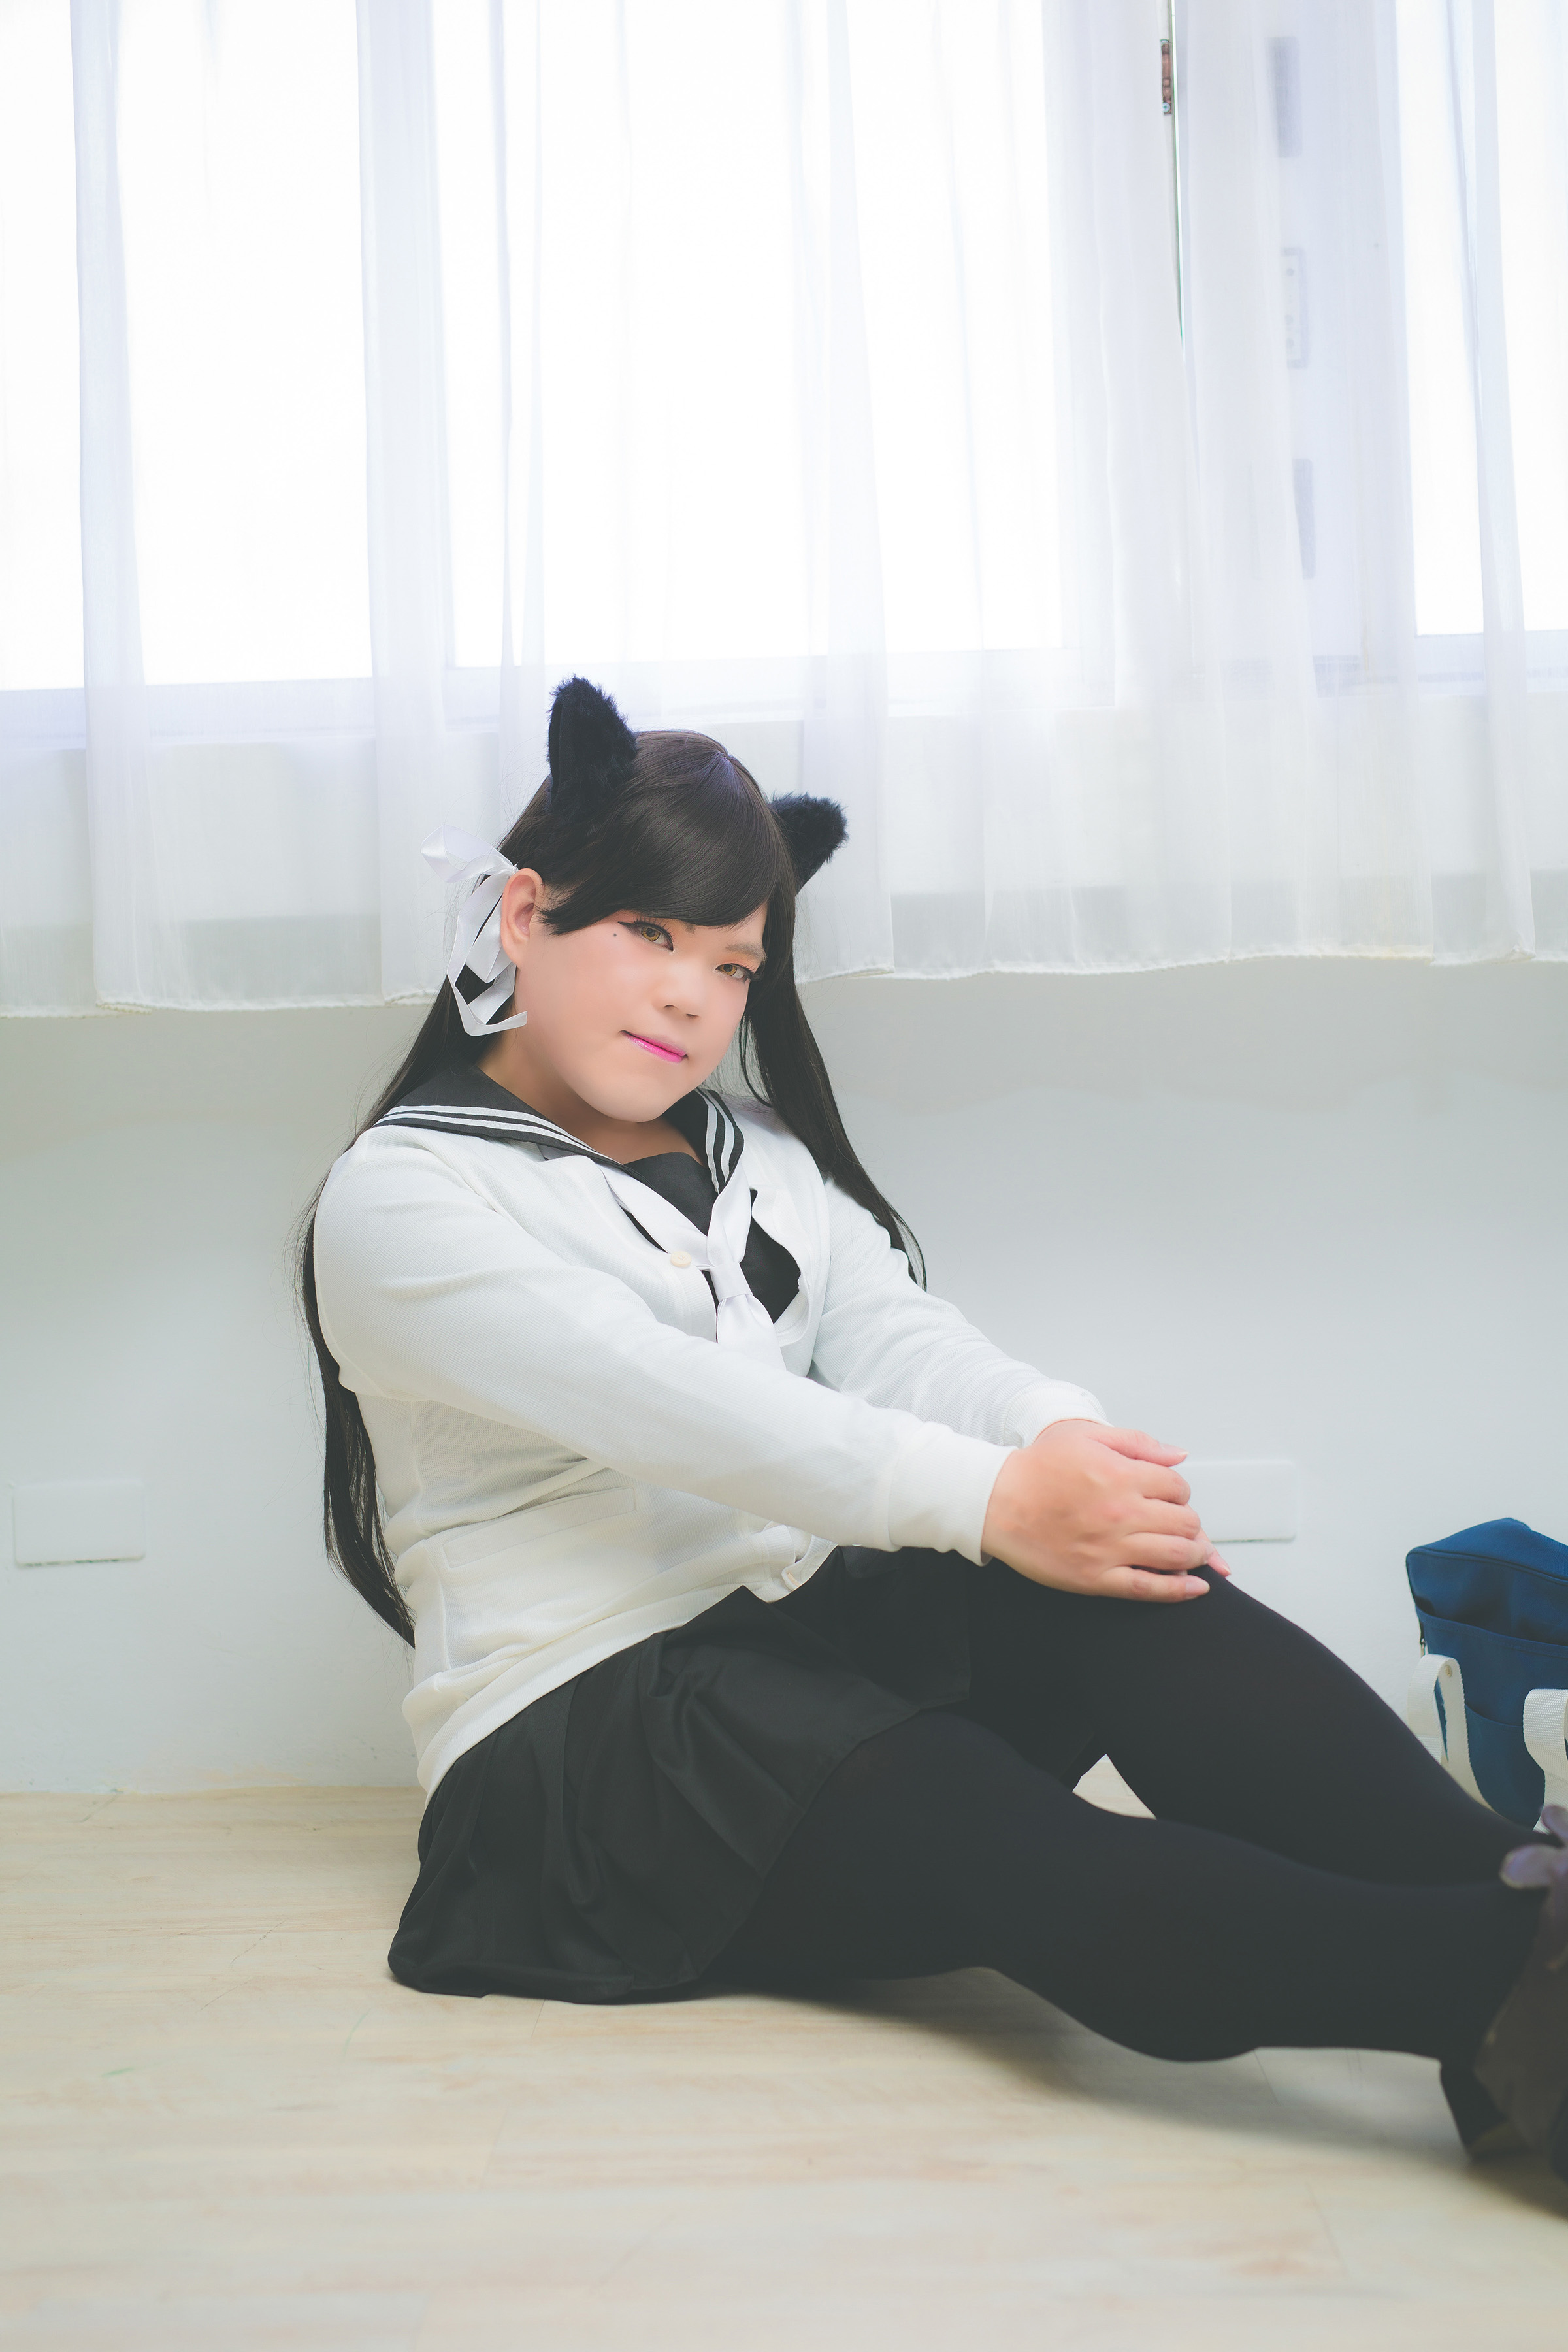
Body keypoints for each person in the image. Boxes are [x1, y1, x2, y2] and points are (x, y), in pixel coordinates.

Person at [301, 677, 1568, 2180]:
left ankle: (1526, 1904)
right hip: (584, 1748)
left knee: (1133, 1584)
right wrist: (990, 1504)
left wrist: (1058, 1446)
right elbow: (676, 1409)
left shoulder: (760, 1155)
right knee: (992, 1825)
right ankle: (1493, 1985)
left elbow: (898, 1337)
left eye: (731, 961)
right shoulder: (401, 1198)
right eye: (647, 932)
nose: (691, 996)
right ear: (525, 915)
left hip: (786, 1639)